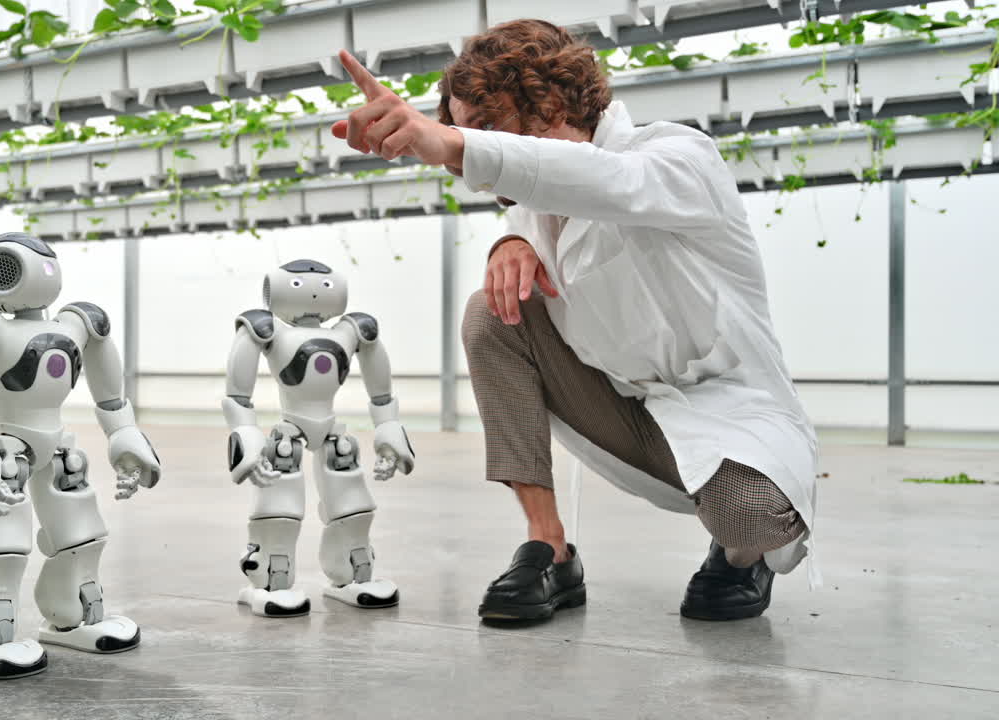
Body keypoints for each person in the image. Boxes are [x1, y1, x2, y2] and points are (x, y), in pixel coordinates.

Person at [329, 19, 818, 622]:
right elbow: (542, 197)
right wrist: (506, 243)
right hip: (621, 406)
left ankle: (742, 561)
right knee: (494, 311)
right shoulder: (534, 209)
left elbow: (610, 183)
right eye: (462, 129)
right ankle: (549, 548)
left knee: (748, 515)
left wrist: (454, 146)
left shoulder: (678, 156)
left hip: (730, 413)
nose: (470, 149)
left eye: (487, 125)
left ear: (551, 99)